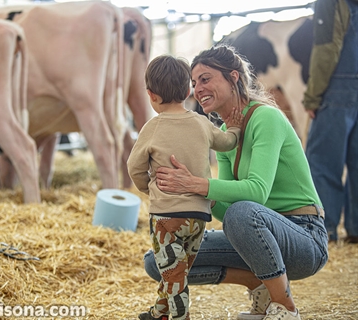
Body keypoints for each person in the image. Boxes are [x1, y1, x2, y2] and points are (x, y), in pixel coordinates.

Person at [143, 45, 329, 320]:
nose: (198, 89)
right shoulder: (223, 134)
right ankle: (257, 283)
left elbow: (257, 192)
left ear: (233, 77)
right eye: (194, 83)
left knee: (244, 212)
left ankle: (285, 307)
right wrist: (184, 192)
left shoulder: (267, 117)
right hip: (258, 237)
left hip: (304, 237)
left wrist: (198, 184)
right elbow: (226, 212)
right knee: (159, 261)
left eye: (205, 79)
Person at [127, 54, 243, 320]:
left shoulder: (152, 127)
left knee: (173, 273)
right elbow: (226, 142)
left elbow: (134, 167)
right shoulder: (202, 122)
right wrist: (235, 128)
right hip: (199, 217)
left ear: (151, 95)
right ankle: (160, 312)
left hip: (166, 217)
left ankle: (180, 316)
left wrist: (149, 188)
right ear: (188, 90)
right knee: (176, 272)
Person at [303, 0, 358, 243]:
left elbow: (327, 48)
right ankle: (355, 230)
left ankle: (325, 231)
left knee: (323, 164)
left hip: (337, 89)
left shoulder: (330, 3)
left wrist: (313, 96)